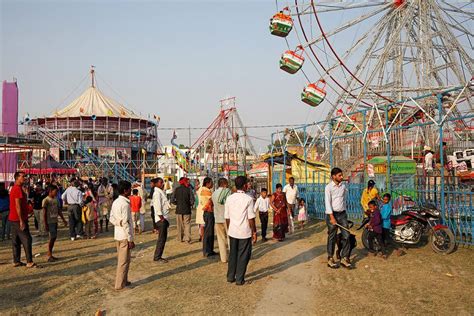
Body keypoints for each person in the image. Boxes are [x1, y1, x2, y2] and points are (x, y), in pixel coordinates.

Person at [225, 176, 257, 286]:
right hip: (244, 231)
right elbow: (251, 218)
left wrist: (230, 228)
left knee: (233, 254)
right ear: (244, 185)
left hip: (233, 230)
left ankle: (230, 276)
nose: (248, 185)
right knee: (243, 255)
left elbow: (227, 217)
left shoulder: (229, 198)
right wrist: (253, 232)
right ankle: (239, 278)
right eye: (247, 184)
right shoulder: (248, 199)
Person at [109, 180, 135, 291]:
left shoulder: (116, 202)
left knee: (125, 260)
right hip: (124, 236)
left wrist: (118, 223)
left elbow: (111, 218)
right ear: (125, 191)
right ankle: (119, 284)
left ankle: (124, 280)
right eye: (129, 189)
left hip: (118, 235)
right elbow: (126, 223)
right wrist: (130, 239)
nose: (131, 191)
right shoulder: (124, 204)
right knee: (123, 261)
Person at [325, 167, 352, 269]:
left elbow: (344, 199)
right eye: (339, 175)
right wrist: (332, 217)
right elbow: (327, 203)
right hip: (332, 215)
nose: (341, 177)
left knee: (347, 235)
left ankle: (345, 257)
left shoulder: (343, 186)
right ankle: (330, 258)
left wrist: (344, 211)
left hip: (342, 214)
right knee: (332, 236)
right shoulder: (328, 188)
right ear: (333, 176)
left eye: (341, 175)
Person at [9, 171, 36, 268]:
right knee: (27, 239)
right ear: (17, 178)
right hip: (18, 218)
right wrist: (21, 220)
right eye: (23, 176)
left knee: (16, 240)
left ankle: (16, 260)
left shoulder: (17, 188)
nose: (24, 178)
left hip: (13, 218)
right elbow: (18, 206)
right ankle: (29, 261)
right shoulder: (17, 189)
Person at [43, 184, 66, 261]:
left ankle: (50, 254)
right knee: (52, 237)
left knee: (54, 237)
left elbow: (59, 210)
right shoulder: (46, 200)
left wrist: (63, 219)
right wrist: (45, 223)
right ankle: (49, 254)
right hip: (49, 221)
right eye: (55, 191)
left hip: (54, 220)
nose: (56, 193)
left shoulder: (56, 199)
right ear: (50, 191)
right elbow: (44, 213)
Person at [212, 178, 231, 262]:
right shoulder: (227, 192)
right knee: (230, 237)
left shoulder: (214, 193)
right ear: (224, 184)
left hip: (217, 218)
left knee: (220, 239)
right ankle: (232, 256)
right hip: (227, 218)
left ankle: (223, 258)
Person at [152, 177, 170, 263]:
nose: (162, 184)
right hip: (161, 219)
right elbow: (157, 207)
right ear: (156, 184)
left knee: (163, 238)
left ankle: (158, 256)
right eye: (160, 183)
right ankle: (157, 257)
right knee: (161, 239)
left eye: (162, 182)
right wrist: (162, 218)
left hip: (163, 218)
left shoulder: (160, 192)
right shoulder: (157, 193)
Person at [172, 177, 193, 243]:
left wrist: (177, 203)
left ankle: (180, 238)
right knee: (187, 224)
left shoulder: (176, 189)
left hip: (178, 210)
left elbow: (172, 200)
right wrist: (189, 204)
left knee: (179, 225)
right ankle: (187, 239)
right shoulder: (189, 189)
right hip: (187, 210)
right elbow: (192, 200)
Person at [200, 177, 216, 258]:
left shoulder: (206, 190)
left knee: (210, 232)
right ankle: (207, 251)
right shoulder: (206, 191)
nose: (212, 184)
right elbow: (211, 200)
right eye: (211, 182)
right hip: (208, 212)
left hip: (209, 212)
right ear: (207, 183)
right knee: (208, 232)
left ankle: (210, 250)